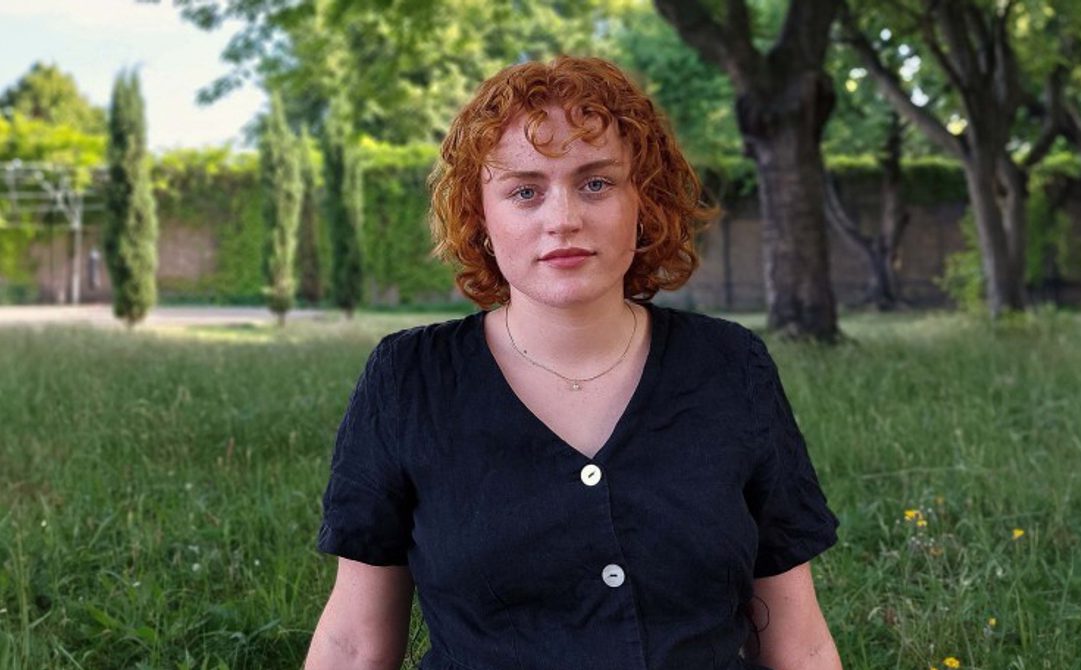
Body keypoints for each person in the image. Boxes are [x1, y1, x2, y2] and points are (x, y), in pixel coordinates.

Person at [306, 55, 841, 670]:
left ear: (644, 199)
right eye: (525, 190)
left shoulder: (731, 367)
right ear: (481, 217)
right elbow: (353, 643)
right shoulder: (408, 380)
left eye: (596, 183)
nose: (562, 219)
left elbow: (799, 639)